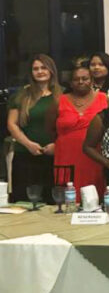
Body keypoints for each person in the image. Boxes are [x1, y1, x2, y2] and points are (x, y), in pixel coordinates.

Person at [47, 65, 108, 200]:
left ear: (92, 80)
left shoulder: (104, 99)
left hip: (95, 157)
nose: (80, 82)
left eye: (85, 78)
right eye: (76, 79)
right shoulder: (59, 101)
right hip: (66, 157)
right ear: (70, 83)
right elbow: (50, 128)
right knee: (67, 197)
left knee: (95, 196)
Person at [7, 54, 61, 202]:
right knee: (25, 202)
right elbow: (12, 124)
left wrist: (58, 145)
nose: (40, 71)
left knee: (53, 202)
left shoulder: (63, 95)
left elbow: (69, 126)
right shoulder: (22, 95)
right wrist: (28, 144)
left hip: (54, 156)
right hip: (25, 156)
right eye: (35, 68)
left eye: (44, 67)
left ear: (51, 70)